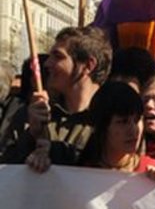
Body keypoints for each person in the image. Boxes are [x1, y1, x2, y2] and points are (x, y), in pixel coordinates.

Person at [14, 27, 111, 167]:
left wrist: (54, 153)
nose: (47, 63)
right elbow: (7, 171)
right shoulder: (41, 115)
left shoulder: (111, 120)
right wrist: (31, 135)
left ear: (88, 65)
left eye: (58, 56)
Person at [77, 81, 155, 182]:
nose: (134, 130)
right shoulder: (77, 174)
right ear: (102, 126)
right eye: (123, 122)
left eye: (137, 120)